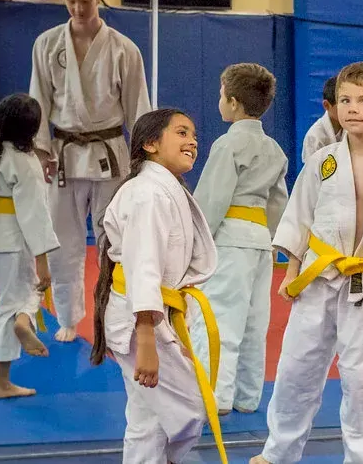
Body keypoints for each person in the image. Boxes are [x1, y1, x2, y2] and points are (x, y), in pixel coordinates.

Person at [251, 62, 363, 464]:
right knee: (296, 369)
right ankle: (278, 452)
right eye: (345, 100)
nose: (352, 108)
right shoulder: (323, 160)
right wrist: (292, 269)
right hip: (318, 277)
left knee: (362, 379)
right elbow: (300, 214)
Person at [90, 108, 228, 464]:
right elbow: (143, 266)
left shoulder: (163, 189)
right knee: (191, 409)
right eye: (181, 133)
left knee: (148, 419)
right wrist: (148, 338)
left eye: (194, 135)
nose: (192, 141)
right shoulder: (148, 194)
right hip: (141, 319)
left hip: (153, 313)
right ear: (150, 144)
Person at [29, 0, 152, 343]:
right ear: (63, 0)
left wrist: (144, 161)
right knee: (62, 242)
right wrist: (40, 151)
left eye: (85, 1)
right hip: (63, 155)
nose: (78, 9)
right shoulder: (47, 44)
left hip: (110, 154)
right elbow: (38, 101)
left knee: (113, 240)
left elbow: (139, 108)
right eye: (71, 2)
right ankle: (68, 316)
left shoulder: (123, 49)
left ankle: (113, 318)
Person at [188, 63, 289, 416]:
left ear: (232, 103)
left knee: (220, 321)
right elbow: (279, 204)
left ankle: (214, 398)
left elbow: (212, 200)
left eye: (220, 94)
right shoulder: (274, 149)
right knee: (253, 322)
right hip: (260, 241)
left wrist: (194, 243)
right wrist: (277, 244)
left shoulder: (228, 144)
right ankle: (247, 396)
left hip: (230, 239)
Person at [0, 93, 58, 399]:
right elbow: (35, 215)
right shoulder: (25, 162)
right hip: (14, 241)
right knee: (22, 298)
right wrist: (43, 260)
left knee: (12, 297)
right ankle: (20, 329)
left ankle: (21, 325)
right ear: (32, 129)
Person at [301, 76, 342, 162]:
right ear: (326, 105)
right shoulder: (314, 136)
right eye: (341, 106)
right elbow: (311, 172)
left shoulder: (354, 128)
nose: (348, 110)